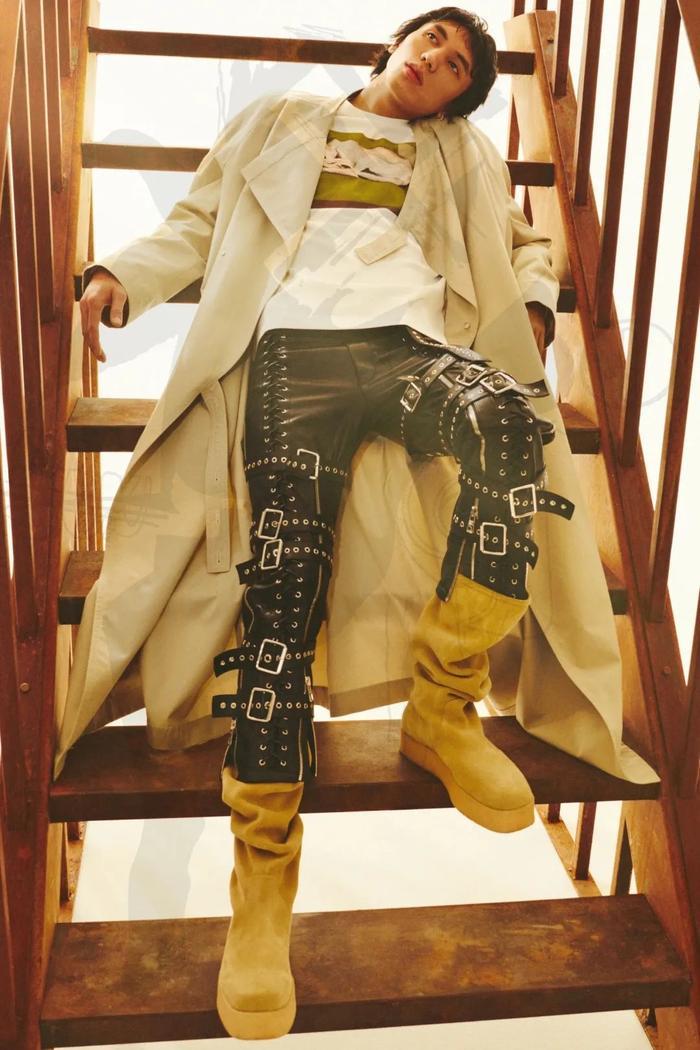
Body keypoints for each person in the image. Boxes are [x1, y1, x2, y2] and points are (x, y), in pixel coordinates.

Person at [80, 7, 575, 1039]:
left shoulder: (463, 155)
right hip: (291, 358)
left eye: (457, 66)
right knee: (282, 594)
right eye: (430, 41)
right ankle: (261, 888)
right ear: (392, 46)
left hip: (406, 346)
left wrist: (533, 301)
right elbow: (200, 221)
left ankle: (443, 702)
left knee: (505, 427)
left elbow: (526, 243)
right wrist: (123, 276)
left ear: (457, 99)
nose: (436, 61)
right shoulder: (280, 119)